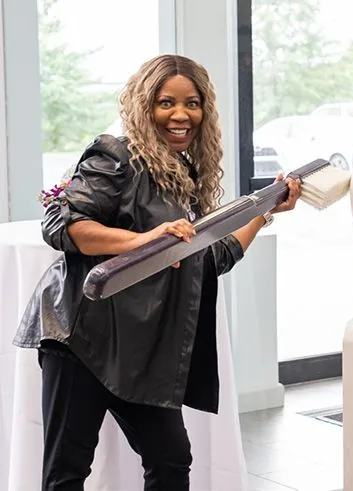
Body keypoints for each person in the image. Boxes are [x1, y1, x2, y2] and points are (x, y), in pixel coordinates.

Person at [14, 54, 300, 491]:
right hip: (81, 338)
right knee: (66, 473)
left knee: (171, 460)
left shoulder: (183, 176)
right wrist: (145, 240)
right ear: (143, 106)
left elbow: (214, 257)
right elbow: (64, 225)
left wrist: (264, 213)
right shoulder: (116, 156)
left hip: (139, 349)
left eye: (192, 103)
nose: (181, 114)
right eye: (166, 102)